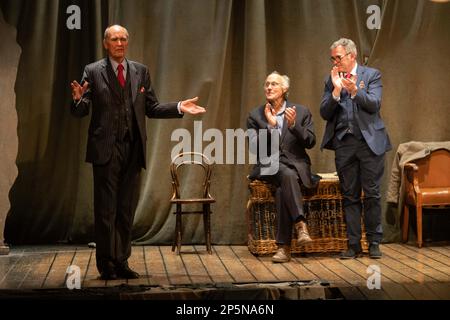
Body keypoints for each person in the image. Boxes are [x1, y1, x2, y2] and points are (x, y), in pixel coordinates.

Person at [70, 25, 205, 280]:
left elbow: (151, 108)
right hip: (105, 149)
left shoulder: (140, 71)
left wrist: (179, 106)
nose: (120, 43)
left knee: (125, 210)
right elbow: (81, 110)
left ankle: (121, 261)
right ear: (105, 43)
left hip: (133, 149)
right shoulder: (93, 70)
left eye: (123, 39)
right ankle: (106, 263)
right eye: (114, 39)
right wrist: (77, 100)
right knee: (106, 210)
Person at [319, 38, 391, 259]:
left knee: (372, 194)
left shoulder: (371, 75)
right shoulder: (332, 79)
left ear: (352, 56)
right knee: (349, 196)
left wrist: (352, 91)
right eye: (332, 58)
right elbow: (324, 112)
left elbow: (374, 103)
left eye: (338, 58)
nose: (335, 62)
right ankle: (353, 244)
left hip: (369, 143)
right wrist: (335, 91)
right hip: (344, 144)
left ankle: (374, 242)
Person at [247, 71, 319, 263]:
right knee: (284, 173)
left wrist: (294, 125)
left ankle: (283, 249)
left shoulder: (301, 111)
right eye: (267, 84)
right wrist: (271, 127)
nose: (269, 87)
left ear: (285, 89)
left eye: (274, 84)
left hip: (294, 166)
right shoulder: (256, 115)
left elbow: (310, 141)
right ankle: (301, 224)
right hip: (269, 165)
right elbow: (254, 147)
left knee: (282, 187)